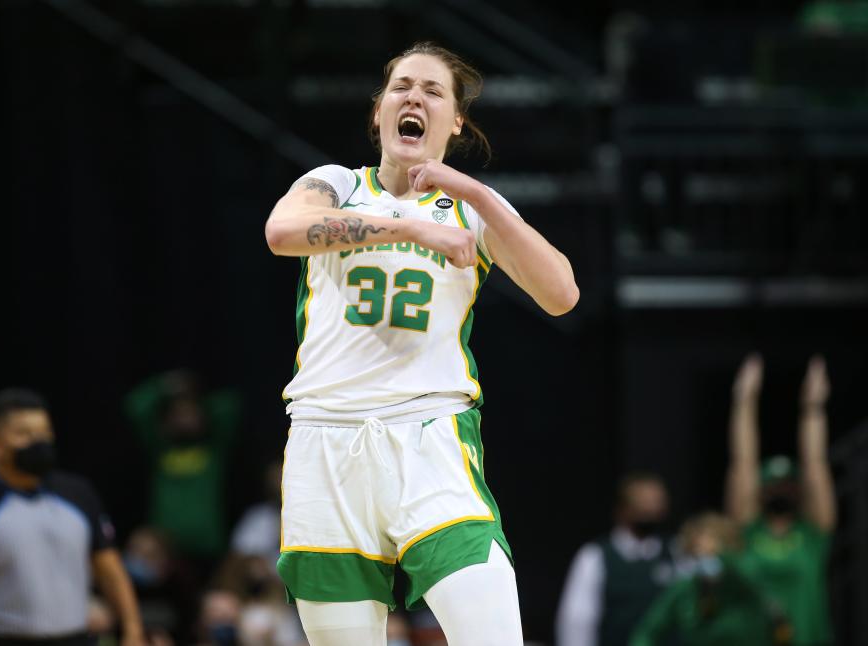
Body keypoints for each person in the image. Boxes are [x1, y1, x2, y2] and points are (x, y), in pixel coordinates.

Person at [264, 41, 579, 646]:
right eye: (402, 86)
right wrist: (410, 225)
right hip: (325, 444)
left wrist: (477, 194)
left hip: (428, 438)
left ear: (455, 121)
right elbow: (281, 231)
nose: (414, 97)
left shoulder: (470, 208)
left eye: (433, 91)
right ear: (380, 110)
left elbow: (562, 293)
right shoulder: (335, 183)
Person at [0, 389, 145, 646]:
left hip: (77, 638)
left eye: (44, 433)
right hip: (6, 638)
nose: (37, 441)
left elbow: (110, 569)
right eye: (24, 434)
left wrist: (133, 631)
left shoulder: (78, 493)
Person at [725, 354, 836, 646]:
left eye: (788, 486)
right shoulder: (747, 534)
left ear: (799, 492)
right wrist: (744, 402)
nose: (780, 492)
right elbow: (743, 463)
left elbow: (815, 465)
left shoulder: (811, 536)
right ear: (761, 493)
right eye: (773, 487)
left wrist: (813, 407)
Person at [124, 370, 241, 564]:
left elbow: (231, 405)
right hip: (165, 548)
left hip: (207, 545)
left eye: (190, 413)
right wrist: (165, 386)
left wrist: (195, 393)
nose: (184, 419)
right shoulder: (159, 448)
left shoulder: (213, 448)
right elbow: (134, 406)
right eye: (178, 414)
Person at [556, 473, 675, 646]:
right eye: (643, 502)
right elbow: (577, 621)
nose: (650, 509)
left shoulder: (676, 552)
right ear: (623, 508)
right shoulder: (596, 555)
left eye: (656, 502)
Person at [630, 512, 774, 646]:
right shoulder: (685, 589)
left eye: (713, 550)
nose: (706, 558)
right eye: (698, 551)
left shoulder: (743, 585)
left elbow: (749, 576)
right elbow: (648, 631)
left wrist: (724, 560)